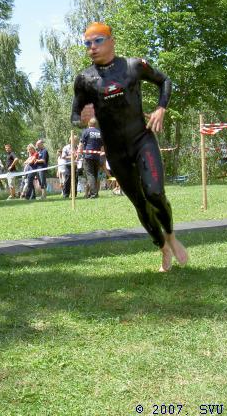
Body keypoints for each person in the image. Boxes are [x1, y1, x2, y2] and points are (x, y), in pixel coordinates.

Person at [71, 22, 188, 272]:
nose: (92, 47)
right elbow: (75, 115)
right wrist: (81, 119)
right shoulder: (84, 79)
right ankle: (162, 248)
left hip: (142, 140)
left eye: (98, 41)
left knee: (154, 193)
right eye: (87, 43)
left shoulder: (134, 66)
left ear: (111, 41)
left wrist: (161, 108)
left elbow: (164, 80)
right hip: (115, 151)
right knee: (140, 203)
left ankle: (170, 235)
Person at [79, 117, 104, 199]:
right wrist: (101, 156)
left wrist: (79, 152)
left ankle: (93, 194)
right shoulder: (99, 133)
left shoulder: (86, 131)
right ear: (95, 124)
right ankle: (92, 192)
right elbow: (102, 146)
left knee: (90, 175)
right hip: (97, 156)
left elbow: (81, 143)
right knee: (95, 175)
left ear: (88, 124)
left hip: (88, 156)